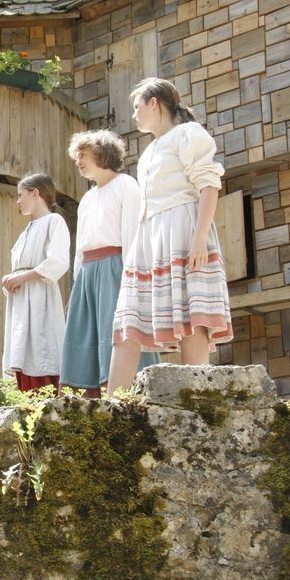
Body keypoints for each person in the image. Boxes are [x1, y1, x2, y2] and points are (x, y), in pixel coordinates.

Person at [106, 77, 233, 395]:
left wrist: (200, 237)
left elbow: (208, 185)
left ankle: (197, 393)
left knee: (193, 312)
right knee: (128, 319)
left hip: (182, 228)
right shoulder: (149, 151)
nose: (134, 116)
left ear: (154, 103)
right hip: (150, 235)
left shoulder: (188, 134)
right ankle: (113, 402)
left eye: (137, 107)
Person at [60, 130, 160, 398]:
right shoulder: (88, 198)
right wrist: (77, 285)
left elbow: (133, 235)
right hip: (88, 273)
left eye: (83, 155)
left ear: (101, 153)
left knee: (114, 331)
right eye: (76, 156)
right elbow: (81, 247)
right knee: (86, 333)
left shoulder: (126, 185)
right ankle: (91, 396)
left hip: (116, 267)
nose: (78, 161)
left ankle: (128, 391)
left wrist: (132, 277)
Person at [2, 173, 71, 392]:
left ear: (36, 193)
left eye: (21, 195)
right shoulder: (26, 232)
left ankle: (46, 402)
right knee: (22, 348)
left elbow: (58, 261)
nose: (18, 201)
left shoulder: (54, 221)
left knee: (42, 346)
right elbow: (20, 267)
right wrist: (10, 279)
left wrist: (23, 276)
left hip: (40, 297)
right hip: (22, 300)